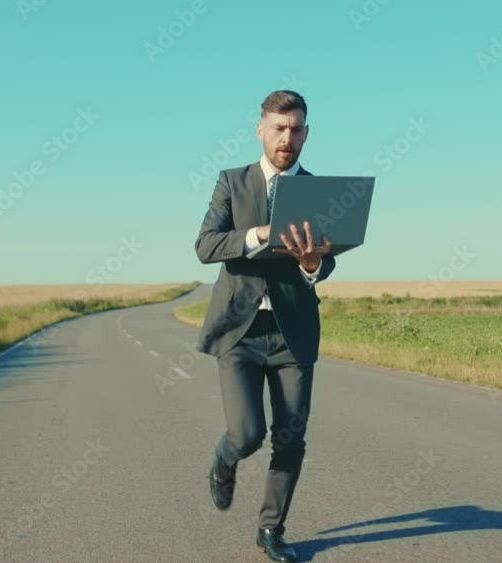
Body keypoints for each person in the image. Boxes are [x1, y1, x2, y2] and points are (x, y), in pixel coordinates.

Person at [194, 90, 335, 562]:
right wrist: (256, 235)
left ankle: (271, 530)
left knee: (291, 438)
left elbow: (327, 261)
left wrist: (313, 264)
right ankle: (225, 457)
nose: (286, 138)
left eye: (296, 129)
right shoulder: (232, 182)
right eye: (278, 128)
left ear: (306, 133)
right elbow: (206, 245)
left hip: (294, 332)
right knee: (248, 433)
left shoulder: (319, 193)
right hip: (239, 330)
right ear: (261, 129)